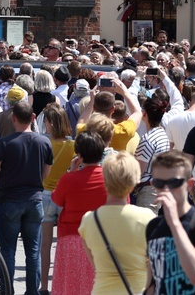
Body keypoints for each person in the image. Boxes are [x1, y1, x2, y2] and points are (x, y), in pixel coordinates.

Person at [0, 101, 53, 294]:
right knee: (33, 251)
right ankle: (32, 291)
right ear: (33, 118)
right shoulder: (44, 142)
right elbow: (46, 174)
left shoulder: (5, 143)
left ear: (13, 118)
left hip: (9, 199)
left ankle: (7, 289)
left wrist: (6, 176)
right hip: (34, 200)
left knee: (7, 250)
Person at [145, 150, 195, 293]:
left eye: (174, 182)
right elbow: (152, 281)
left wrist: (174, 223)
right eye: (159, 183)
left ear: (189, 184)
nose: (166, 189)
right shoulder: (153, 226)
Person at [78, 152, 154, 294]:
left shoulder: (89, 220)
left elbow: (95, 263)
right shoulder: (146, 217)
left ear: (105, 180)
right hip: (138, 289)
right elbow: (154, 264)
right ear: (134, 181)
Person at [50, 131, 107, 295]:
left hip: (71, 238)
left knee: (71, 287)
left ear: (79, 155)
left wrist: (71, 171)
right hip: (101, 239)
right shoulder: (110, 178)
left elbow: (57, 199)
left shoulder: (69, 179)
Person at [39, 103, 75, 295]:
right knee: (63, 243)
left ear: (51, 122)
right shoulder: (73, 145)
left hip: (45, 195)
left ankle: (44, 285)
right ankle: (62, 284)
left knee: (44, 245)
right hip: (64, 197)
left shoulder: (43, 143)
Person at [134, 91, 172, 210]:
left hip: (146, 191)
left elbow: (139, 172)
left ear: (144, 113)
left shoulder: (147, 139)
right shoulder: (162, 134)